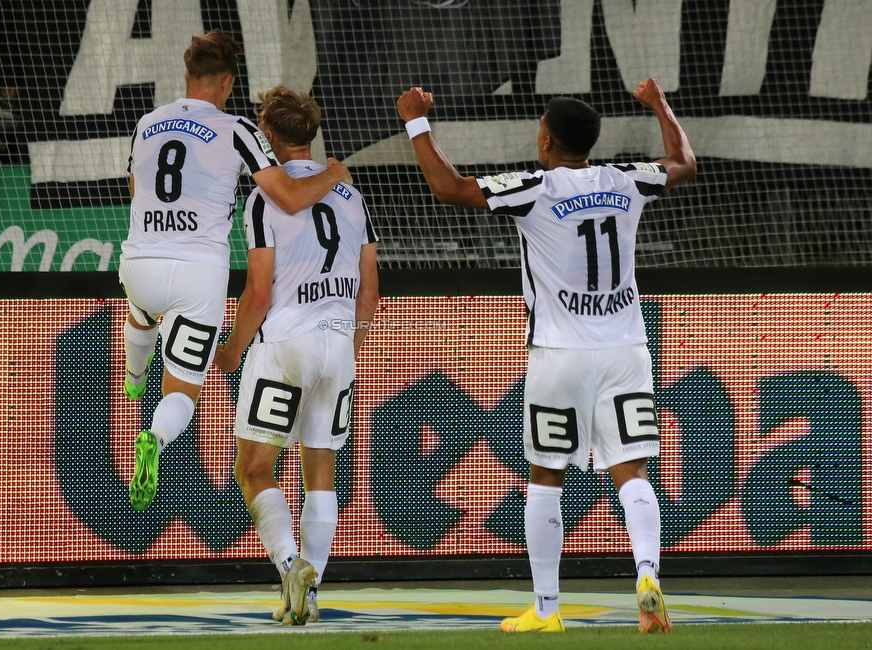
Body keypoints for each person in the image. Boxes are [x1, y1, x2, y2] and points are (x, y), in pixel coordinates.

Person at [396, 78, 696, 634]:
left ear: (548, 143)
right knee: (631, 471)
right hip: (626, 349)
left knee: (545, 477)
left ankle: (547, 608)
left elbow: (450, 188)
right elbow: (683, 160)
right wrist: (658, 104)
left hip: (560, 353)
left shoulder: (536, 186)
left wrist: (416, 121)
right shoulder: (626, 180)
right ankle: (648, 574)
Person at [119, 30, 352, 512]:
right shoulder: (239, 128)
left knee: (141, 312)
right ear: (227, 81)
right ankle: (155, 437)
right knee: (184, 390)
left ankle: (132, 374)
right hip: (198, 276)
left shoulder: (147, 123)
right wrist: (333, 174)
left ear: (187, 76)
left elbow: (134, 187)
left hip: (140, 260)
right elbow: (287, 198)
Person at [213, 86, 380, 626]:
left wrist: (232, 351)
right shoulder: (353, 197)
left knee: (255, 469)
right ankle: (310, 592)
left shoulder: (263, 199)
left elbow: (259, 291)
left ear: (267, 135)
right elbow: (369, 290)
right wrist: (345, 349)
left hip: (284, 343)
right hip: (338, 344)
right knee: (321, 475)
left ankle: (289, 564)